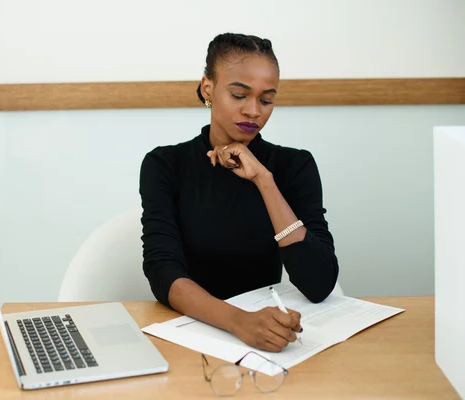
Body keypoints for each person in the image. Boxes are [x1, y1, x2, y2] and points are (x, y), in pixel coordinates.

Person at [139, 33, 339, 353]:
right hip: (193, 332)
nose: (253, 111)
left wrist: (264, 181)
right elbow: (163, 272)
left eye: (266, 99)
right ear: (208, 89)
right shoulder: (166, 164)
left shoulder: (293, 165)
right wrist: (239, 321)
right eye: (238, 94)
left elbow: (319, 284)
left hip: (269, 335)